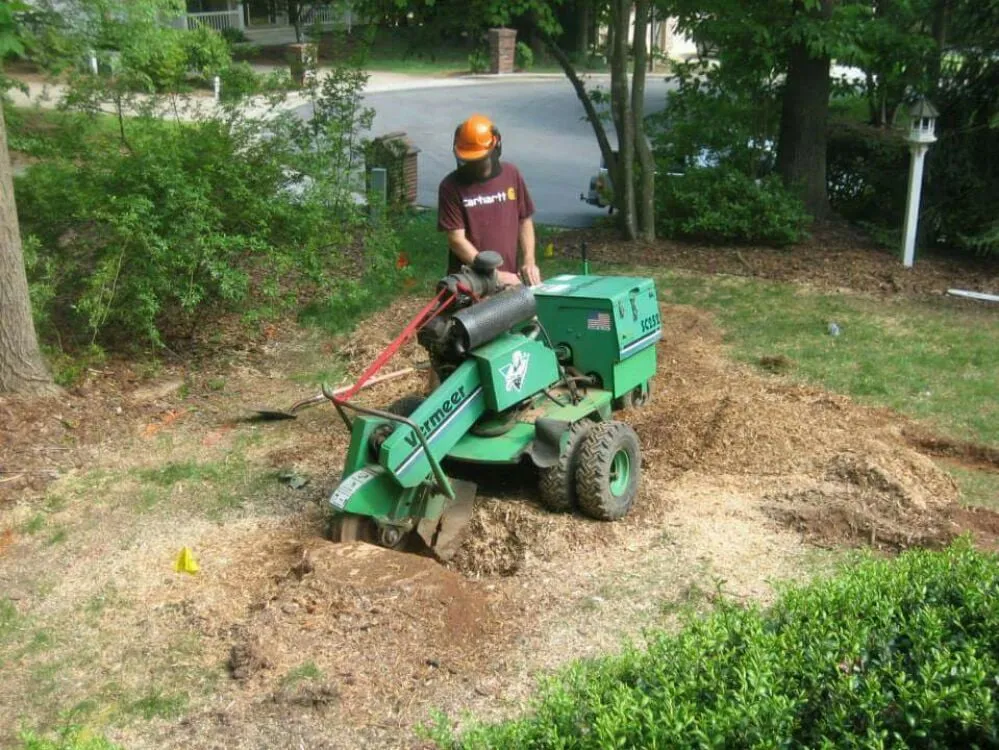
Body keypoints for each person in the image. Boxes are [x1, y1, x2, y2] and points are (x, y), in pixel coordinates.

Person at [437, 114, 542, 287]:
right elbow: (456, 240)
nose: (473, 165)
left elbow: (524, 220)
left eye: (479, 160)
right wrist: (494, 276)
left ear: (496, 146)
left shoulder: (511, 174)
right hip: (470, 283)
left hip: (510, 279)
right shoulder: (450, 186)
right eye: (468, 160)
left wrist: (529, 261)